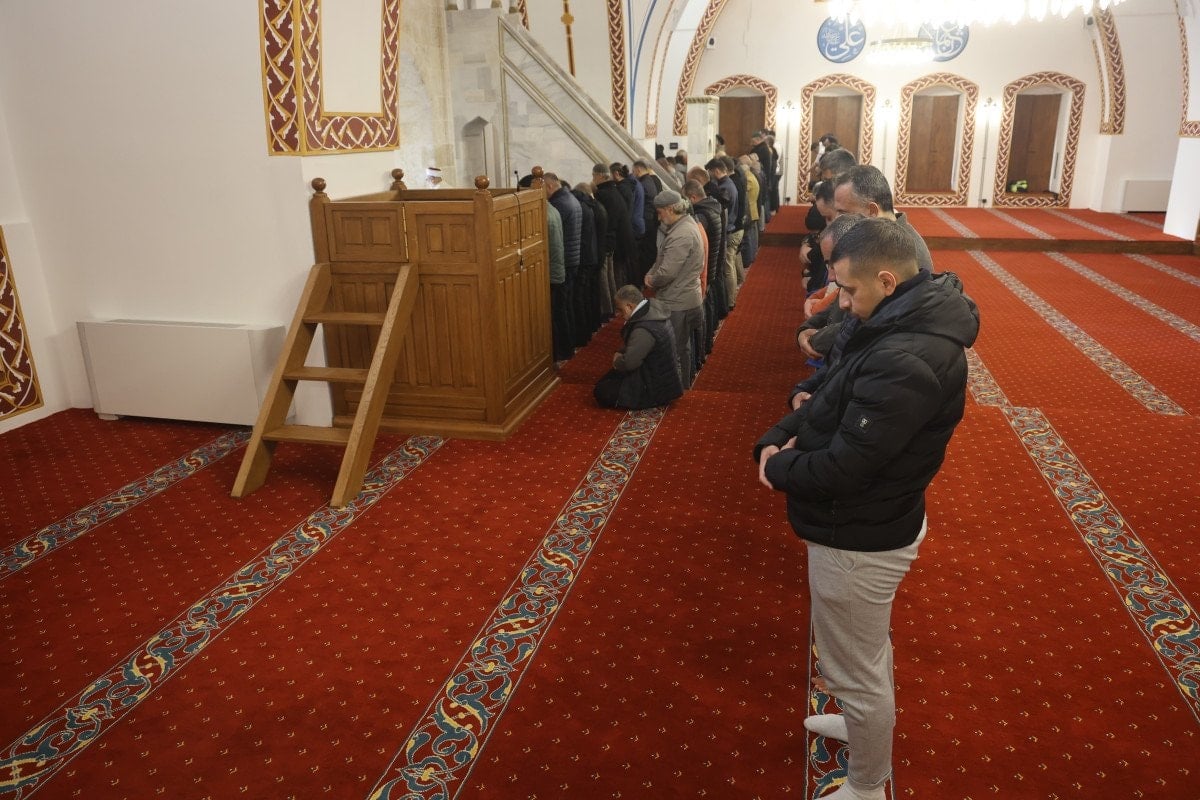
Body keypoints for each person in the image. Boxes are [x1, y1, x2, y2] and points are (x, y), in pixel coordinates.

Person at [754, 217, 980, 800]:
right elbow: (829, 393)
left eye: (849, 290)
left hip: (860, 533)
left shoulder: (907, 354)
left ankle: (868, 784)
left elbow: (847, 466)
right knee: (860, 651)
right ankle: (858, 724)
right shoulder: (892, 318)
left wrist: (777, 469)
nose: (843, 304)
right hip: (865, 518)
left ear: (886, 279)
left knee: (857, 670)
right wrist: (777, 434)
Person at [643, 189, 705, 388]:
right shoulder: (682, 226)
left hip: (678, 301)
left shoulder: (681, 234)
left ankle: (677, 389)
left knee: (676, 349)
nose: (659, 217)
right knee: (681, 346)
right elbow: (662, 258)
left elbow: (667, 272)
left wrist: (652, 280)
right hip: (682, 297)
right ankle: (681, 386)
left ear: (670, 209)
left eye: (660, 212)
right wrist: (652, 273)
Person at [593, 285, 684, 410]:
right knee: (609, 378)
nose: (619, 314)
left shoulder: (644, 329)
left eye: (620, 310)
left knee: (601, 391)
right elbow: (634, 345)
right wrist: (620, 354)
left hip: (655, 387)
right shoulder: (651, 310)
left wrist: (617, 361)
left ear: (629, 306)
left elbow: (630, 363)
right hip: (661, 376)